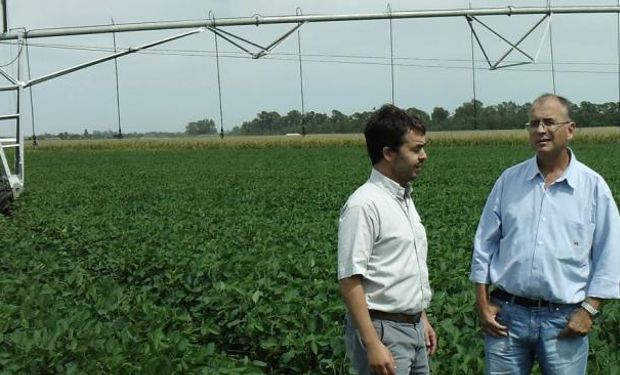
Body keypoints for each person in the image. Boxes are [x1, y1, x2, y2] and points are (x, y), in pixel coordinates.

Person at [470, 93, 620, 374]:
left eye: (549, 122)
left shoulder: (593, 187)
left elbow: (611, 254)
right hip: (507, 317)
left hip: (564, 320)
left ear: (570, 129)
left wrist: (589, 310)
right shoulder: (509, 181)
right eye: (534, 123)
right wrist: (482, 303)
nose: (540, 130)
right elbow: (483, 245)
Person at [338, 104, 437, 375]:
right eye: (415, 149)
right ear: (389, 154)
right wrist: (372, 343)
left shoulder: (404, 199)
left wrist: (421, 317)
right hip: (383, 331)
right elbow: (350, 280)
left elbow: (404, 267)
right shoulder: (364, 205)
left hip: (413, 329)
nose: (424, 156)